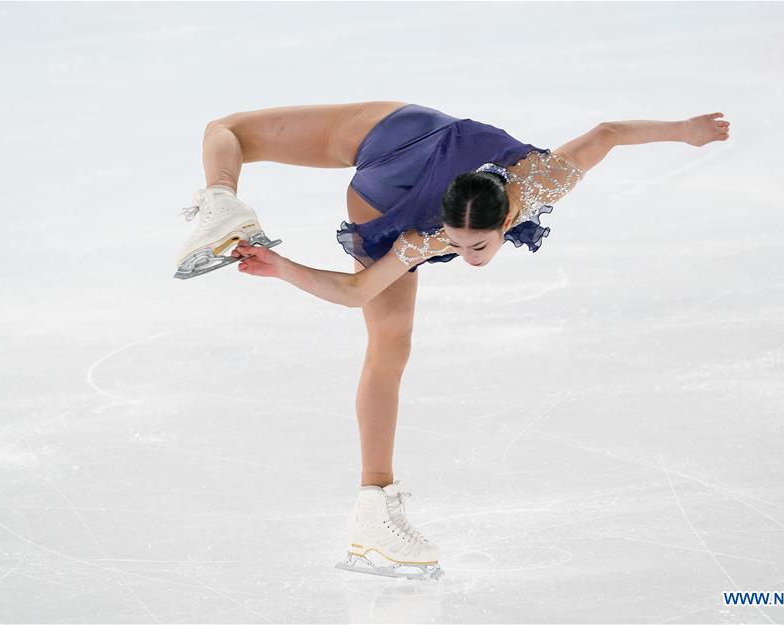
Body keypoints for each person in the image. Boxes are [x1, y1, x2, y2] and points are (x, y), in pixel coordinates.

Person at [174, 101, 731, 579]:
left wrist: (685, 131)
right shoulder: (426, 233)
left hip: (411, 125)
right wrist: (280, 267)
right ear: (444, 225)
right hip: (391, 169)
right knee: (389, 343)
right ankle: (374, 507)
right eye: (459, 246)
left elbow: (608, 134)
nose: (466, 256)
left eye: (476, 247)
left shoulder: (545, 180)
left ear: (504, 218)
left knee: (228, 130)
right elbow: (355, 292)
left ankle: (222, 200)